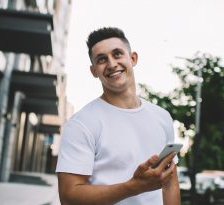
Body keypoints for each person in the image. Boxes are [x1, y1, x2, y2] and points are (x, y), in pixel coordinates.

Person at [56, 27, 180, 205]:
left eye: (117, 54)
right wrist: (133, 186)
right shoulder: (81, 123)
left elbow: (170, 181)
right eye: (102, 59)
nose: (112, 64)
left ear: (133, 58)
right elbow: (69, 197)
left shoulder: (162, 117)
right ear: (93, 71)